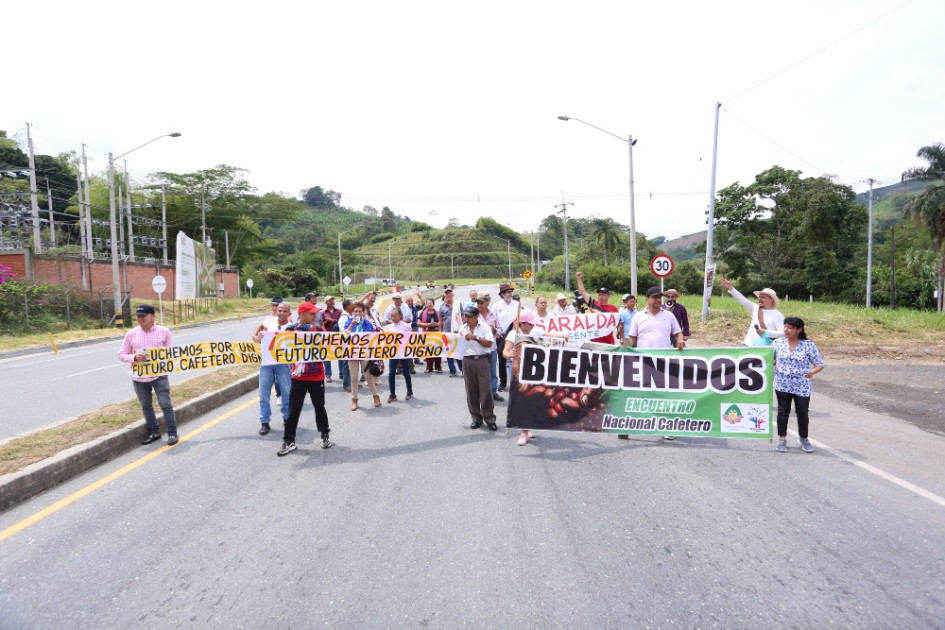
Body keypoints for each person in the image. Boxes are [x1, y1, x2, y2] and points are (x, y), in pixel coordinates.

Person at [626, 287, 684, 441]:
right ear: (647, 299)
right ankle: (626, 425)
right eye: (654, 297)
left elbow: (678, 333)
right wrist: (624, 349)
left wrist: (679, 340)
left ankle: (666, 427)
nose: (658, 300)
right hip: (643, 361)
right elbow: (632, 339)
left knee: (664, 395)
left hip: (663, 362)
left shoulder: (669, 316)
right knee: (637, 394)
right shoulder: (638, 317)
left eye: (660, 297)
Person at [118, 304, 179, 446]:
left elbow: (171, 352)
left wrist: (163, 358)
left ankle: (172, 433)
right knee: (146, 406)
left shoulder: (164, 332)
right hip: (139, 377)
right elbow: (121, 354)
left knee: (165, 404)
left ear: (153, 316)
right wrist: (133, 357)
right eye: (138, 316)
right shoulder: (131, 334)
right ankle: (154, 432)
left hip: (159, 375)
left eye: (143, 316)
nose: (140, 319)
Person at [278, 301, 331, 456]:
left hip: (317, 376)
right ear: (302, 314)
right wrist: (262, 337)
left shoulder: (319, 329)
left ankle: (324, 435)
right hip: (298, 377)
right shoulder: (289, 330)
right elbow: (277, 345)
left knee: (320, 407)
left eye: (315, 313)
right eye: (312, 313)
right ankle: (289, 440)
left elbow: (332, 346)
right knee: (293, 410)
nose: (315, 315)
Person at [772, 317, 824, 453]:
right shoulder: (777, 343)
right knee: (783, 411)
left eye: (790, 327)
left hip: (802, 385)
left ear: (799, 330)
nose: (785, 330)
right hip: (782, 384)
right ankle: (782, 439)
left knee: (802, 412)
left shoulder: (808, 345)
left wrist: (812, 372)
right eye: (785, 326)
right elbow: (770, 359)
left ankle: (803, 438)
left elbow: (819, 364)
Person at [252, 302, 292, 436]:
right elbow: (258, 328)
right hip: (266, 363)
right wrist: (255, 336)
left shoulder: (291, 327)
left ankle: (287, 418)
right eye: (279, 310)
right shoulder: (269, 321)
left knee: (286, 392)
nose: (281, 313)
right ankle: (264, 422)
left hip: (283, 363)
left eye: (284, 311)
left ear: (289, 314)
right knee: (263, 393)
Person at [459, 305, 497, 431]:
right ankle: (476, 418)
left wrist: (476, 338)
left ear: (476, 316)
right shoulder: (462, 328)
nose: (467, 319)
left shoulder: (485, 327)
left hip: (482, 360)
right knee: (471, 390)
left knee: (486, 390)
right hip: (468, 360)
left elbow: (489, 343)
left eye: (470, 316)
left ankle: (489, 418)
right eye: (466, 316)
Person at [718, 278, 785, 346]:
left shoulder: (778, 315)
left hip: (766, 348)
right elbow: (742, 300)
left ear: (771, 300)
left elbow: (783, 333)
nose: (760, 299)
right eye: (760, 297)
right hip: (749, 345)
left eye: (763, 297)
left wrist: (766, 332)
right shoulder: (755, 308)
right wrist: (731, 288)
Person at [344, 301, 382, 411]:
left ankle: (375, 396)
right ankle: (354, 399)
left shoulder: (367, 324)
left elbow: (371, 338)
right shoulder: (348, 322)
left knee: (368, 376)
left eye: (360, 311)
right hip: (352, 354)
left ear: (363, 313)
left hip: (365, 353)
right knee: (354, 378)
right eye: (355, 311)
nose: (357, 313)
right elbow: (344, 335)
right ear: (353, 312)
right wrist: (352, 325)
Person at [253, 296, 290, 398]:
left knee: (281, 377)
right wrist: (256, 336)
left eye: (276, 305)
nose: (274, 307)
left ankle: (282, 396)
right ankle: (280, 395)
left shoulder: (288, 319)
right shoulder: (268, 319)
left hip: (283, 355)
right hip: (268, 354)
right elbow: (260, 327)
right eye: (273, 305)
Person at [575, 271, 619, 344]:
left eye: (603, 295)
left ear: (608, 296)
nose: (601, 297)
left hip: (608, 342)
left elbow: (617, 323)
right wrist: (579, 279)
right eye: (599, 295)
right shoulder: (593, 304)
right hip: (595, 341)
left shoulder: (613, 308)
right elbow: (583, 292)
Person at [476, 293, 503, 401]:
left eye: (481, 303)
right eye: (478, 303)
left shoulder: (493, 316)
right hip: (479, 350)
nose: (479, 305)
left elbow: (500, 330)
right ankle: (481, 394)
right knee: (481, 373)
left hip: (492, 349)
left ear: (487, 304)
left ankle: (493, 392)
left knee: (492, 372)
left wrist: (495, 330)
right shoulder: (475, 316)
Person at [491, 283, 517, 392]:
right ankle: (503, 382)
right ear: (502, 294)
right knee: (502, 360)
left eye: (511, 291)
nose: (510, 293)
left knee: (515, 358)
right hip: (501, 335)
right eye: (507, 292)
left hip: (515, 335)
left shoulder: (516, 304)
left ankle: (515, 382)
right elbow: (493, 320)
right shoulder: (497, 306)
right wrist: (496, 332)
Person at [385, 307, 414, 403]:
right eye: (391, 316)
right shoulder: (389, 327)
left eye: (394, 315)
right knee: (391, 373)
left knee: (406, 372)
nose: (393, 318)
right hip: (393, 353)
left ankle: (409, 392)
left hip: (403, 352)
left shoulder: (406, 326)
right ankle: (392, 394)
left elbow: (410, 339)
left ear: (400, 315)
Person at [438, 288, 463, 377]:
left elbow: (462, 317)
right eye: (446, 294)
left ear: (453, 295)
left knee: (459, 352)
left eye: (450, 294)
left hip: (457, 332)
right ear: (445, 296)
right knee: (449, 352)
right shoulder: (442, 307)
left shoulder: (458, 304)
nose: (448, 296)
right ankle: (452, 370)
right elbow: (440, 320)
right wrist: (440, 332)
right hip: (446, 333)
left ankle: (462, 369)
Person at [318, 296, 342, 383]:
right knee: (327, 356)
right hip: (327, 337)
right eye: (330, 300)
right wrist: (327, 321)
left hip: (338, 336)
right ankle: (328, 375)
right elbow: (321, 325)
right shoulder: (323, 313)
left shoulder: (339, 311)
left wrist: (334, 321)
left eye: (333, 300)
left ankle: (341, 373)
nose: (332, 302)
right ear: (326, 303)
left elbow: (342, 322)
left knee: (340, 354)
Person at [417, 298, 442, 373]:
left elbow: (441, 323)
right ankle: (429, 367)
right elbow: (418, 323)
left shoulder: (438, 313)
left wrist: (436, 324)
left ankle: (438, 367)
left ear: (433, 304)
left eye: (431, 303)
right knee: (428, 351)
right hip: (427, 334)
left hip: (437, 334)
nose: (429, 304)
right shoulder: (422, 313)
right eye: (428, 303)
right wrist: (427, 324)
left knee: (437, 350)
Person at [337, 298, 354, 392]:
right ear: (347, 306)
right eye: (352, 304)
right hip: (345, 343)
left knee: (351, 364)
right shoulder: (344, 318)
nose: (353, 306)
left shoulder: (350, 316)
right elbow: (344, 331)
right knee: (346, 364)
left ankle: (352, 382)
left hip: (351, 343)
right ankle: (346, 384)